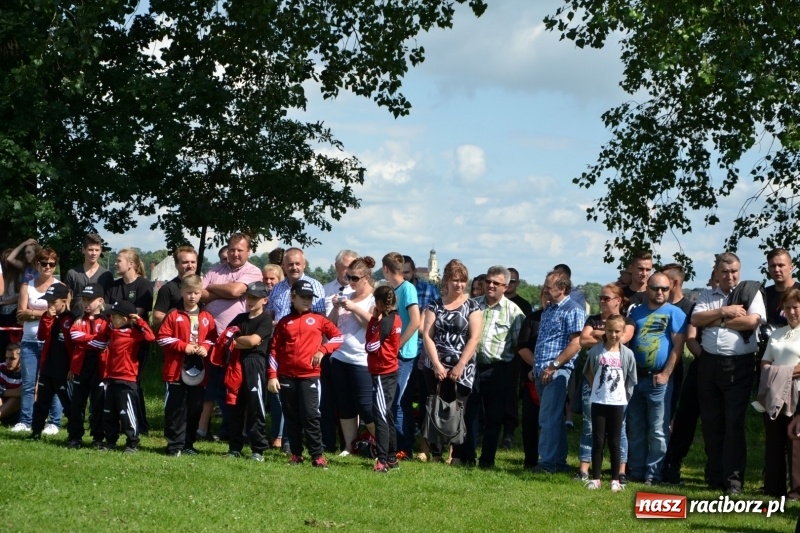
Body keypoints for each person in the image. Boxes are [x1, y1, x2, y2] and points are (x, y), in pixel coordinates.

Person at [692, 252, 766, 495]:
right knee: (712, 422)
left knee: (733, 423)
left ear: (740, 271)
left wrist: (715, 321)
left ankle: (733, 481)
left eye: (734, 271)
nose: (730, 276)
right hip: (709, 364)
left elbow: (752, 322)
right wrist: (725, 312)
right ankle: (714, 477)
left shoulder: (751, 292)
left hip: (739, 365)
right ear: (716, 273)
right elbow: (696, 318)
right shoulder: (707, 295)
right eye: (725, 272)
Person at [267, 280, 343, 468]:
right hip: (286, 376)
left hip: (310, 375)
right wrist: (272, 375)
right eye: (303, 297)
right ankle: (296, 454)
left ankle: (317, 455)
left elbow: (338, 337)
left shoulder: (319, 320)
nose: (307, 301)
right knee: (291, 415)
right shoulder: (284, 322)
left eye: (310, 298)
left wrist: (323, 350)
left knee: (311, 415)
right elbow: (274, 350)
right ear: (293, 297)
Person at [199, 233, 263, 441]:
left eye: (240, 250)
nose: (235, 254)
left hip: (237, 339)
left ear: (248, 252)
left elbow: (236, 291)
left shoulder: (253, 271)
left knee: (235, 387)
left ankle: (234, 432)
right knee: (214, 387)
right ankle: (213, 429)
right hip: (211, 338)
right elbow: (201, 295)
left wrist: (212, 287)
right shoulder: (216, 269)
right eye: (232, 249)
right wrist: (222, 290)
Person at [460, 265, 524, 468]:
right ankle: (466, 457)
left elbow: (518, 345)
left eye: (496, 283)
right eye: (488, 281)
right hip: (471, 367)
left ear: (505, 286)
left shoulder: (514, 312)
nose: (490, 286)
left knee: (493, 418)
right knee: (468, 414)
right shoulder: (473, 305)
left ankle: (487, 460)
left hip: (497, 370)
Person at [627, 272, 687, 484]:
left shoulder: (675, 313)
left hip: (658, 380)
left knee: (658, 430)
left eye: (664, 289)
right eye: (655, 288)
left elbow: (678, 346)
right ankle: (636, 471)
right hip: (635, 379)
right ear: (647, 289)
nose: (660, 292)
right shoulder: (636, 313)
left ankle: (653, 475)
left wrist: (666, 374)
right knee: (634, 428)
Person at [421, 259, 482, 462]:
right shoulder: (435, 305)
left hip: (462, 366)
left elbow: (474, 338)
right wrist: (437, 364)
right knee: (436, 408)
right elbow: (428, 335)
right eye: (455, 280)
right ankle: (436, 453)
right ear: (447, 281)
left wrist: (460, 365)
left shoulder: (473, 306)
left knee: (457, 411)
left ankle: (455, 455)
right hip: (435, 365)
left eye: (463, 280)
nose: (459, 285)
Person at [265, 247, 325, 451]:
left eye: (298, 263)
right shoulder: (277, 288)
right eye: (290, 264)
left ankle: (295, 442)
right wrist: (275, 324)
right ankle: (279, 436)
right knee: (279, 397)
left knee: (304, 402)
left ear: (304, 264)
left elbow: (320, 322)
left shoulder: (315, 286)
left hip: (305, 354)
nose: (294, 267)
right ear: (283, 265)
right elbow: (269, 314)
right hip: (280, 350)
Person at [574, 283, 634, 483]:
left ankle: (620, 473)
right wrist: (603, 338)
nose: (601, 301)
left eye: (606, 298)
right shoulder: (592, 320)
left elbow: (623, 340)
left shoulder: (628, 322)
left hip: (617, 395)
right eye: (600, 297)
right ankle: (586, 470)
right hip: (597, 392)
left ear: (618, 300)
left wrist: (599, 334)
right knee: (591, 428)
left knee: (618, 434)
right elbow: (583, 341)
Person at [531, 269, 586, 474]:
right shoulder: (549, 309)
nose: (544, 289)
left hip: (556, 372)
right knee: (554, 419)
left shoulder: (573, 309)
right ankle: (559, 461)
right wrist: (536, 367)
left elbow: (576, 342)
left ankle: (546, 463)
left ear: (562, 288)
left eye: (549, 286)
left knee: (548, 419)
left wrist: (554, 365)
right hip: (541, 370)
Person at [157, 275, 218, 457]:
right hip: (175, 370)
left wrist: (206, 347)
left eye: (196, 293)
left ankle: (189, 443)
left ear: (201, 294)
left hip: (199, 371)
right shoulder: (174, 314)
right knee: (176, 409)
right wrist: (184, 346)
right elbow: (162, 338)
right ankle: (174, 444)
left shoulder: (206, 316)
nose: (192, 296)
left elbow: (214, 339)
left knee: (195, 408)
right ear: (182, 292)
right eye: (189, 292)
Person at [213, 281, 274, 461]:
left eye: (255, 298)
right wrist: (238, 341)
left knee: (256, 407)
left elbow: (253, 341)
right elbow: (225, 338)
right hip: (236, 364)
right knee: (235, 407)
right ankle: (234, 447)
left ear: (264, 300)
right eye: (248, 296)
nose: (250, 301)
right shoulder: (240, 317)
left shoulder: (265, 319)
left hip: (255, 364)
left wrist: (237, 341)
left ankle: (258, 449)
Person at [89, 300, 155, 453]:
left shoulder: (135, 334)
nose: (111, 319)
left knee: (126, 413)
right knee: (109, 413)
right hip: (111, 378)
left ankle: (132, 442)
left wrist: (139, 321)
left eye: (114, 316)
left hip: (127, 380)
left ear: (125, 319)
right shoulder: (113, 331)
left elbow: (151, 338)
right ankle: (111, 441)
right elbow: (104, 333)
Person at [11, 248, 64, 433]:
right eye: (43, 263)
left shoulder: (60, 286)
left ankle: (54, 421)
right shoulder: (27, 285)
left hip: (52, 343)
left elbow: (60, 314)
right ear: (36, 265)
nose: (47, 267)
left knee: (54, 382)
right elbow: (19, 315)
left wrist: (31, 312)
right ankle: (25, 420)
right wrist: (45, 313)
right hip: (29, 342)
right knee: (28, 383)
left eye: (51, 264)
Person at [328, 256, 376, 455]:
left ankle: (383, 444)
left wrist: (355, 308)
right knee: (345, 404)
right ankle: (350, 446)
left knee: (365, 406)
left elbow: (373, 325)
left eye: (355, 278)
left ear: (366, 278)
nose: (351, 282)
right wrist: (337, 307)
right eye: (349, 277)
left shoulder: (373, 298)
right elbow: (329, 326)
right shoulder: (346, 293)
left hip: (361, 358)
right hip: (339, 356)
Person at [583, 315, 637, 492]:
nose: (613, 334)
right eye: (610, 331)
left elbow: (630, 378)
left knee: (615, 441)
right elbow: (589, 372)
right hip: (599, 401)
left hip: (618, 402)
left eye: (617, 331)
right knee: (598, 440)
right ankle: (596, 478)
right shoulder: (596, 351)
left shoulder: (627, 354)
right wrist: (596, 390)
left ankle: (615, 479)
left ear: (622, 333)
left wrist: (623, 396)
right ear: (604, 331)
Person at [106, 248, 153, 435]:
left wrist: (122, 316)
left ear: (131, 264)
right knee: (116, 384)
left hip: (136, 341)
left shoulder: (143, 285)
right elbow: (106, 310)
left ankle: (140, 424)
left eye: (119, 261)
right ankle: (118, 421)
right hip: (117, 341)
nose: (116, 264)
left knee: (134, 384)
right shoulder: (114, 286)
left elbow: (135, 316)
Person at [758, 287, 800, 499]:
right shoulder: (777, 334)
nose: (792, 311)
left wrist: (784, 373)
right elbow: (765, 360)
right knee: (774, 440)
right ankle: (773, 488)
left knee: (796, 441)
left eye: (796, 307)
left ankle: (796, 491)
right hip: (775, 391)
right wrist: (774, 374)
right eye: (787, 307)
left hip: (797, 392)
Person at [381, 252, 421, 459]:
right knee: (394, 401)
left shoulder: (408, 289)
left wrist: (397, 346)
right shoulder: (391, 290)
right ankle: (394, 445)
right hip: (391, 355)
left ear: (386, 269)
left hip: (403, 355)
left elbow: (415, 321)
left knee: (396, 401)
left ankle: (403, 448)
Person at [402, 255, 441, 460]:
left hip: (424, 352)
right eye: (400, 273)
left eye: (406, 272)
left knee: (427, 401)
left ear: (414, 271)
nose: (404, 276)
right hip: (404, 354)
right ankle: (405, 443)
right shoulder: (396, 290)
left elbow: (432, 324)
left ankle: (427, 446)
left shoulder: (429, 290)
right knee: (405, 400)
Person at [320, 249, 357, 453]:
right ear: (336, 267)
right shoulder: (326, 290)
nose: (349, 272)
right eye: (346, 267)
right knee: (327, 401)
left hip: (353, 354)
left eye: (353, 267)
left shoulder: (361, 292)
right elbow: (325, 323)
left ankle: (350, 444)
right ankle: (327, 443)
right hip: (329, 353)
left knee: (349, 401)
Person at [28, 284, 75, 440]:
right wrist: (48, 318)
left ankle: (74, 435)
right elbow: (41, 336)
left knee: (69, 405)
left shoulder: (71, 319)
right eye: (48, 302)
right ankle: (36, 432)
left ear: (63, 301)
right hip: (47, 368)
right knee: (41, 403)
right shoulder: (47, 316)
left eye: (53, 302)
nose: (50, 305)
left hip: (64, 370)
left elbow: (76, 346)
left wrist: (73, 367)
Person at [67, 283, 109, 448]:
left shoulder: (107, 320)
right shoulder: (78, 319)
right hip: (81, 365)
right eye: (84, 299)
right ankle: (75, 437)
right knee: (77, 403)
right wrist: (94, 340)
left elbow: (105, 340)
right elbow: (74, 335)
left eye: (90, 300)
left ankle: (98, 437)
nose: (86, 303)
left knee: (98, 403)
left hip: (99, 366)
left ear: (100, 301)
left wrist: (88, 340)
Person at [365, 285, 402, 472]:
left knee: (380, 414)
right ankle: (392, 456)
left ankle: (382, 460)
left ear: (379, 303)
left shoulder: (386, 322)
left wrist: (373, 320)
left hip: (382, 372)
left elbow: (371, 347)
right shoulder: (396, 318)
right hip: (391, 371)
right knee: (386, 414)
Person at [500, 267, 532, 450]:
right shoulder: (494, 301)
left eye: (513, 281)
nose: (510, 284)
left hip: (515, 356)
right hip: (495, 355)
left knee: (511, 395)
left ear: (517, 284)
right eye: (508, 281)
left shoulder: (524, 305)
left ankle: (509, 432)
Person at [64, 233, 113, 316]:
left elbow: (107, 302)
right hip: (76, 320)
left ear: (100, 250)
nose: (94, 253)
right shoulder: (72, 273)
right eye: (90, 249)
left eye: (97, 250)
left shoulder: (106, 275)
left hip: (99, 322)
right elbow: (66, 301)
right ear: (83, 250)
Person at [152, 245, 198, 329]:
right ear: (176, 265)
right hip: (176, 337)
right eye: (185, 262)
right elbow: (157, 318)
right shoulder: (168, 288)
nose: (190, 265)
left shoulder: (202, 286)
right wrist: (183, 322)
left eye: (193, 262)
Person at [0, 249, 22, 355]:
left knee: (13, 342)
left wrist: (4, 303)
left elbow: (20, 296)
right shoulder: (2, 275)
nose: (6, 262)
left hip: (13, 311)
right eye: (4, 259)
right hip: (2, 312)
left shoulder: (20, 275)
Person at [0, 343, 22, 423]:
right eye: (6, 358)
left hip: (19, 411)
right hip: (4, 407)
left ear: (21, 358)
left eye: (12, 359)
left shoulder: (27, 372)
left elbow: (22, 392)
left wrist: (2, 392)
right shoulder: (1, 367)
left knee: (16, 398)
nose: (8, 362)